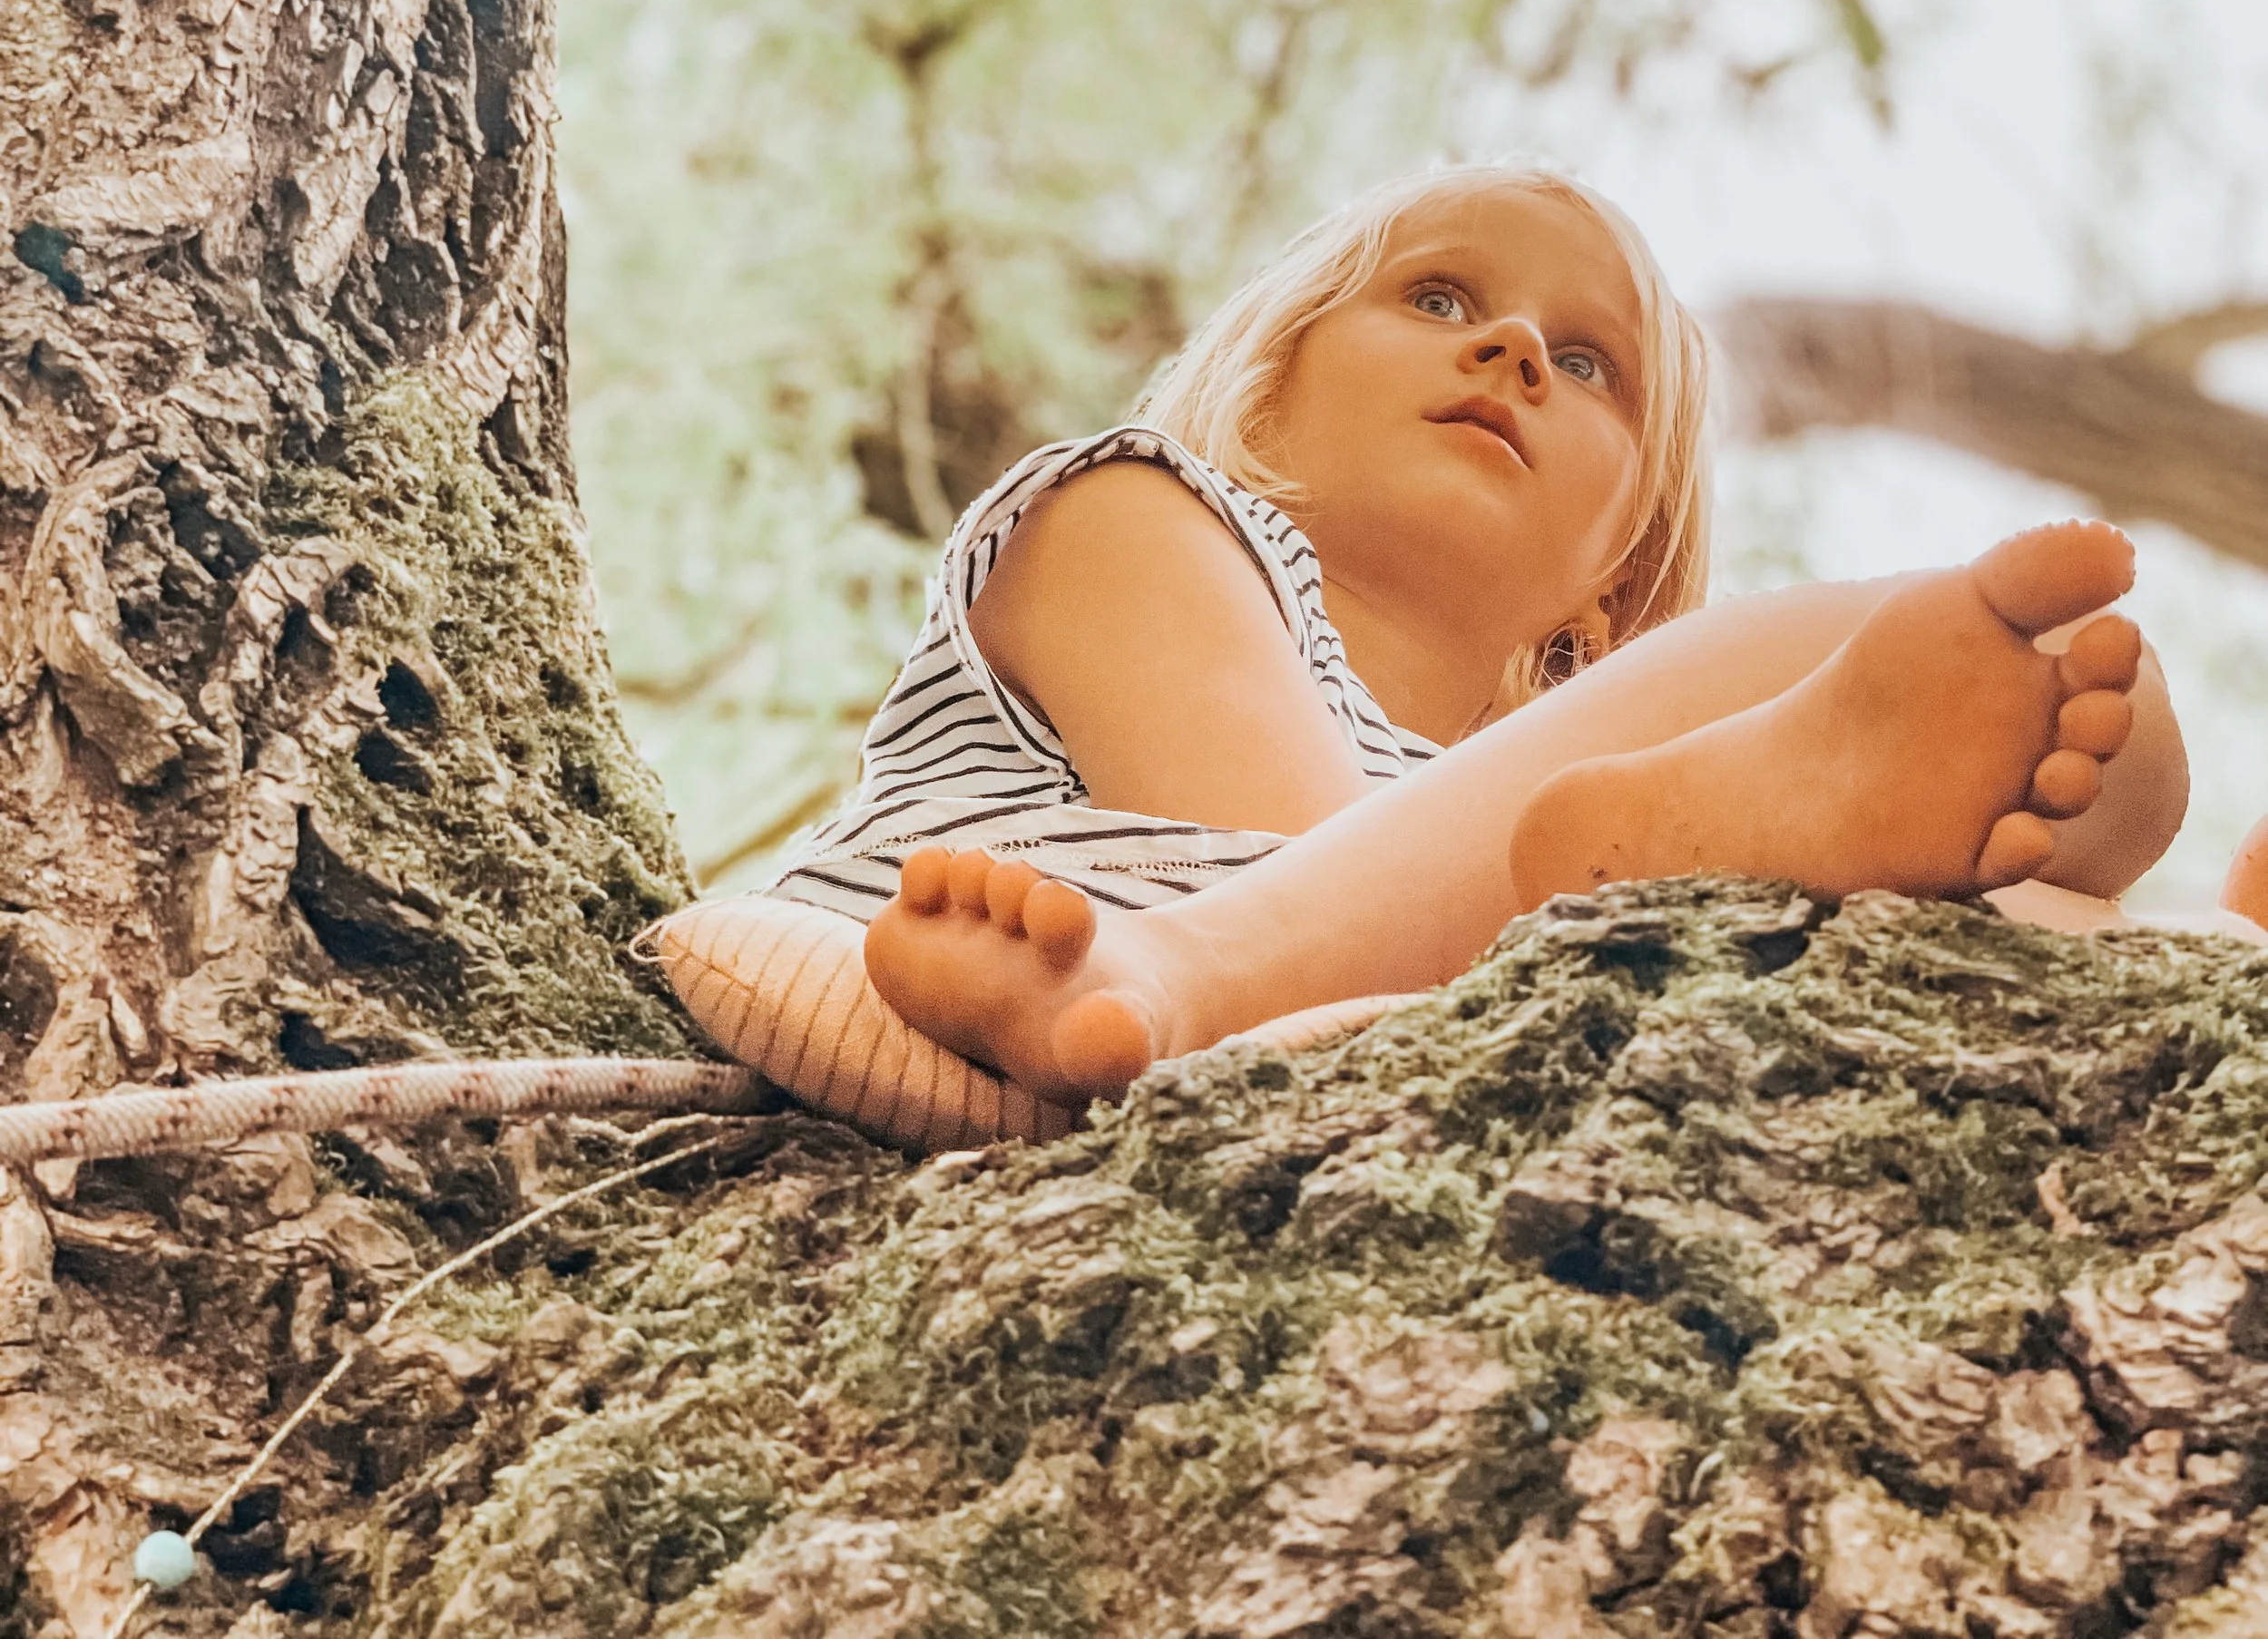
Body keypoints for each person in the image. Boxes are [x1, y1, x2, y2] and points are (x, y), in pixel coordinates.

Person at [660, 165, 2212, 1147]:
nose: (1515, 349)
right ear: (1266, 398)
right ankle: (1199, 972)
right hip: (1096, 977)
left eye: (1585, 363)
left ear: (1609, 589)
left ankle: (2188, 949)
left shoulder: (1599, 749)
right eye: (1442, 297)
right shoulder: (1140, 515)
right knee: (1847, 675)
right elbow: (1312, 853)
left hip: (1445, 1014)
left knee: (2080, 676)